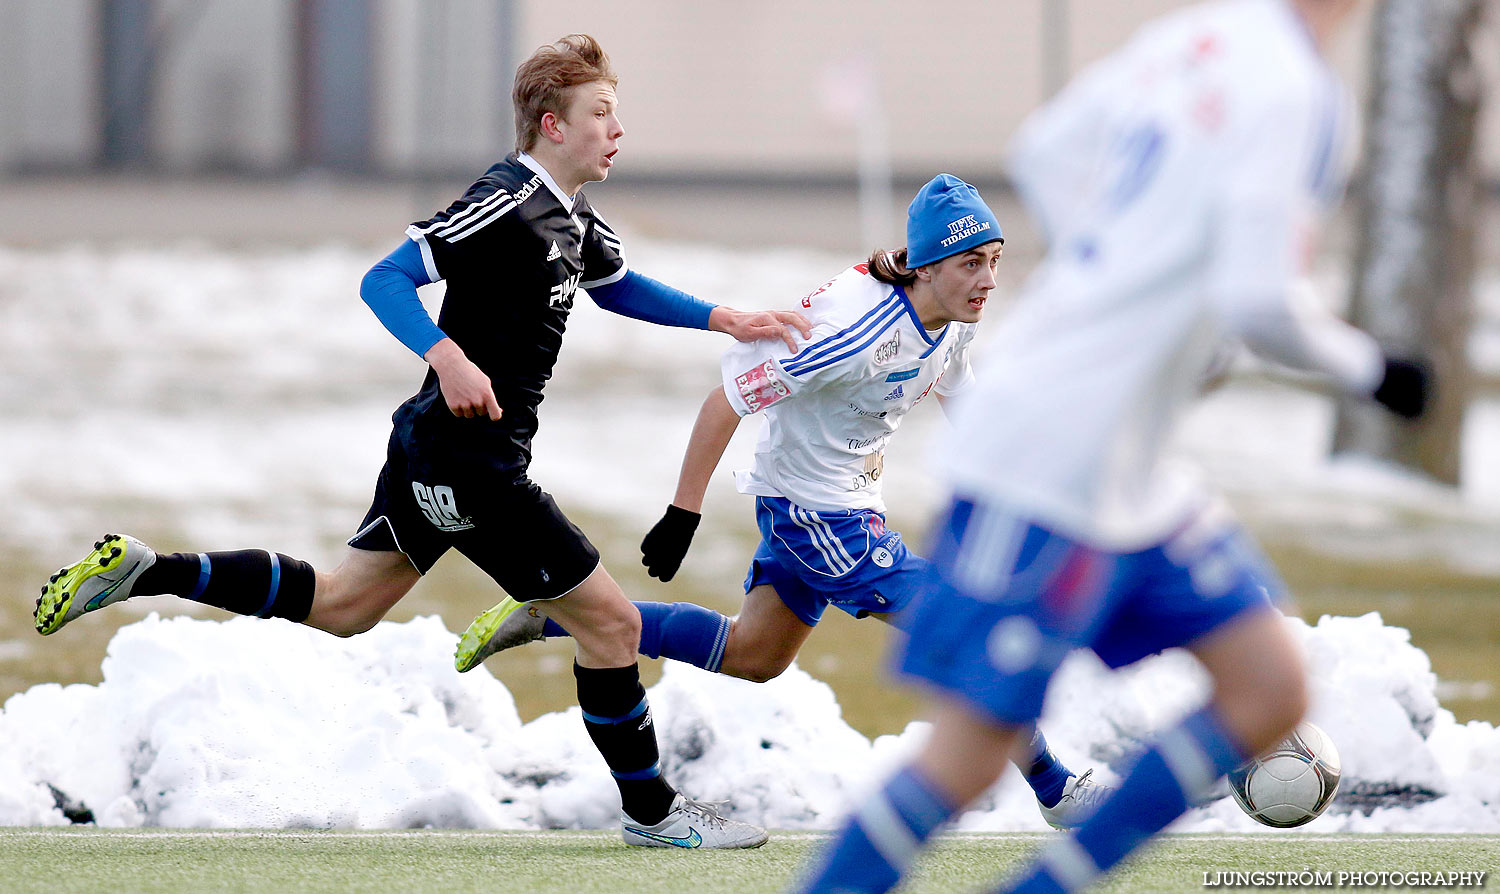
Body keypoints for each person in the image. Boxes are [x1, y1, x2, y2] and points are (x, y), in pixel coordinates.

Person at [33, 34, 811, 851]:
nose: (618, 130)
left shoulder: (573, 217)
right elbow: (384, 277)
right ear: (551, 124)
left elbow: (618, 287)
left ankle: (149, 569)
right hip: (475, 466)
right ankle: (654, 815)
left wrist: (723, 317)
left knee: (343, 607)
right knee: (612, 628)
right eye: (602, 114)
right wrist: (448, 358)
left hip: (434, 457)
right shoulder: (505, 198)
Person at [797, 1, 1430, 891]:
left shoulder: (1199, 36)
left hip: (1126, 467)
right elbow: (1261, 300)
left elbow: (1047, 149)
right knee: (970, 755)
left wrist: (1126, 269)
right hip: (1048, 456)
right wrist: (1378, 371)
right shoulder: (1297, 90)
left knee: (1269, 686)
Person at [452, 174, 1112, 829]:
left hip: (851, 504)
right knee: (966, 625)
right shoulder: (848, 333)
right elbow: (726, 402)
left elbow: (967, 404)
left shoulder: (955, 319)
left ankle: (555, 614)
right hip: (813, 516)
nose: (989, 280)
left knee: (755, 655)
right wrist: (684, 512)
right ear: (925, 265)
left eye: (994, 262)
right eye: (972, 263)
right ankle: (1057, 791)